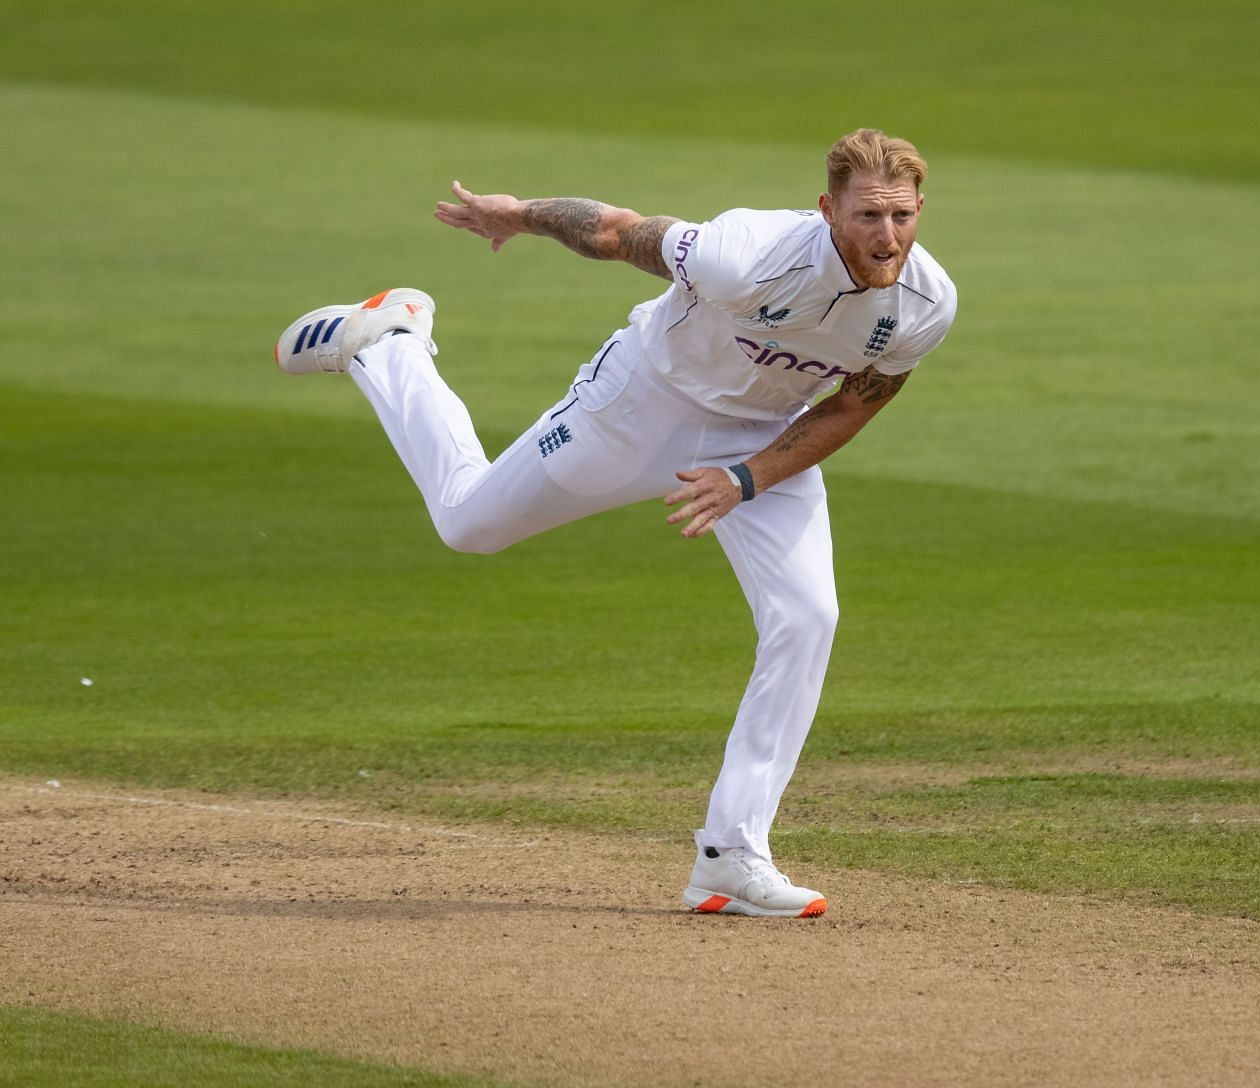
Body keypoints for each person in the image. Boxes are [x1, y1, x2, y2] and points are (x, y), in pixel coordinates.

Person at [272, 129, 956, 918]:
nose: (887, 236)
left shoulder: (926, 303)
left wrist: (747, 478)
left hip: (759, 438)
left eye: (902, 215)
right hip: (641, 403)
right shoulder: (749, 253)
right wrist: (520, 214)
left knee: (809, 616)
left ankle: (731, 856)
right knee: (468, 524)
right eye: (869, 215)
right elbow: (616, 230)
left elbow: (854, 404)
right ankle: (388, 344)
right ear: (827, 209)